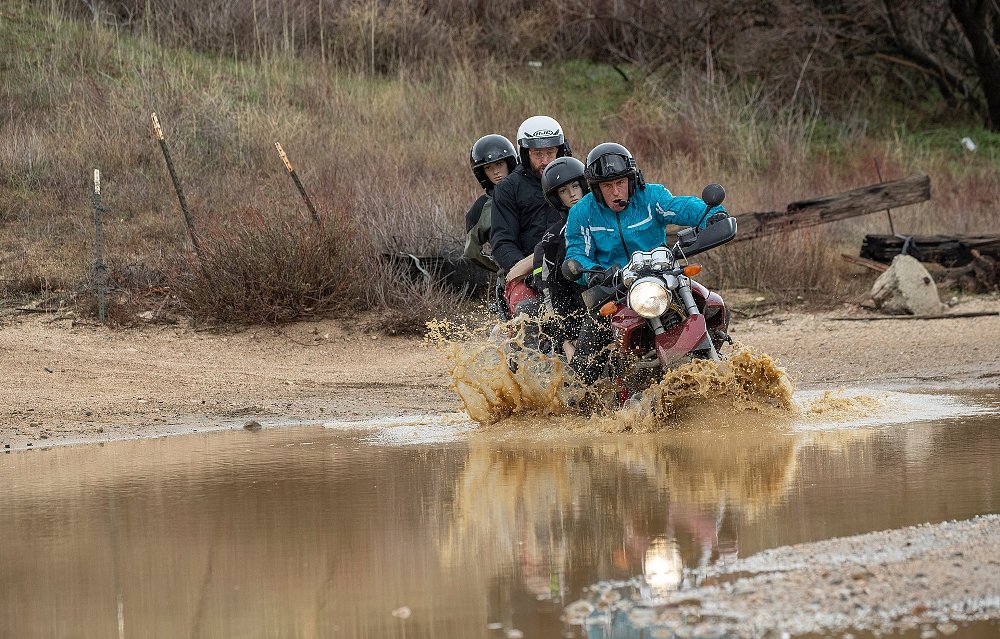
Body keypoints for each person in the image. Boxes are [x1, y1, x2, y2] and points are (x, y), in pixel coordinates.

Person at [563, 142, 729, 384]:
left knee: (711, 303)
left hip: (664, 277)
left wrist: (711, 215)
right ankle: (584, 401)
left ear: (632, 179)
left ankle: (720, 357)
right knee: (588, 355)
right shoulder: (582, 213)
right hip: (615, 288)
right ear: (596, 189)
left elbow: (680, 207)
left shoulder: (651, 196)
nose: (615, 191)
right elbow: (577, 252)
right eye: (607, 186)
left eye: (620, 182)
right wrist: (592, 272)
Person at [490, 115, 572, 318]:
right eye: (537, 154)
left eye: (550, 152)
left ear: (559, 150)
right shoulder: (507, 189)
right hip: (525, 272)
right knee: (525, 309)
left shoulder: (575, 180)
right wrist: (530, 272)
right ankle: (526, 351)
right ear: (525, 153)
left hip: (571, 264)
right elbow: (502, 242)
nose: (545, 161)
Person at [533, 156, 590, 359]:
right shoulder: (554, 237)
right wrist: (568, 332)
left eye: (575, 186)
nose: (572, 194)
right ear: (556, 198)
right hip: (578, 309)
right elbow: (552, 288)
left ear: (584, 185)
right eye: (563, 191)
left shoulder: (609, 218)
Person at [463, 134, 519, 272]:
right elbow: (472, 251)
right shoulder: (481, 208)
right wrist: (499, 268)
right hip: (512, 278)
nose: (495, 172)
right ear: (482, 172)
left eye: (499, 164)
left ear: (509, 163)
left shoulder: (530, 190)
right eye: (488, 167)